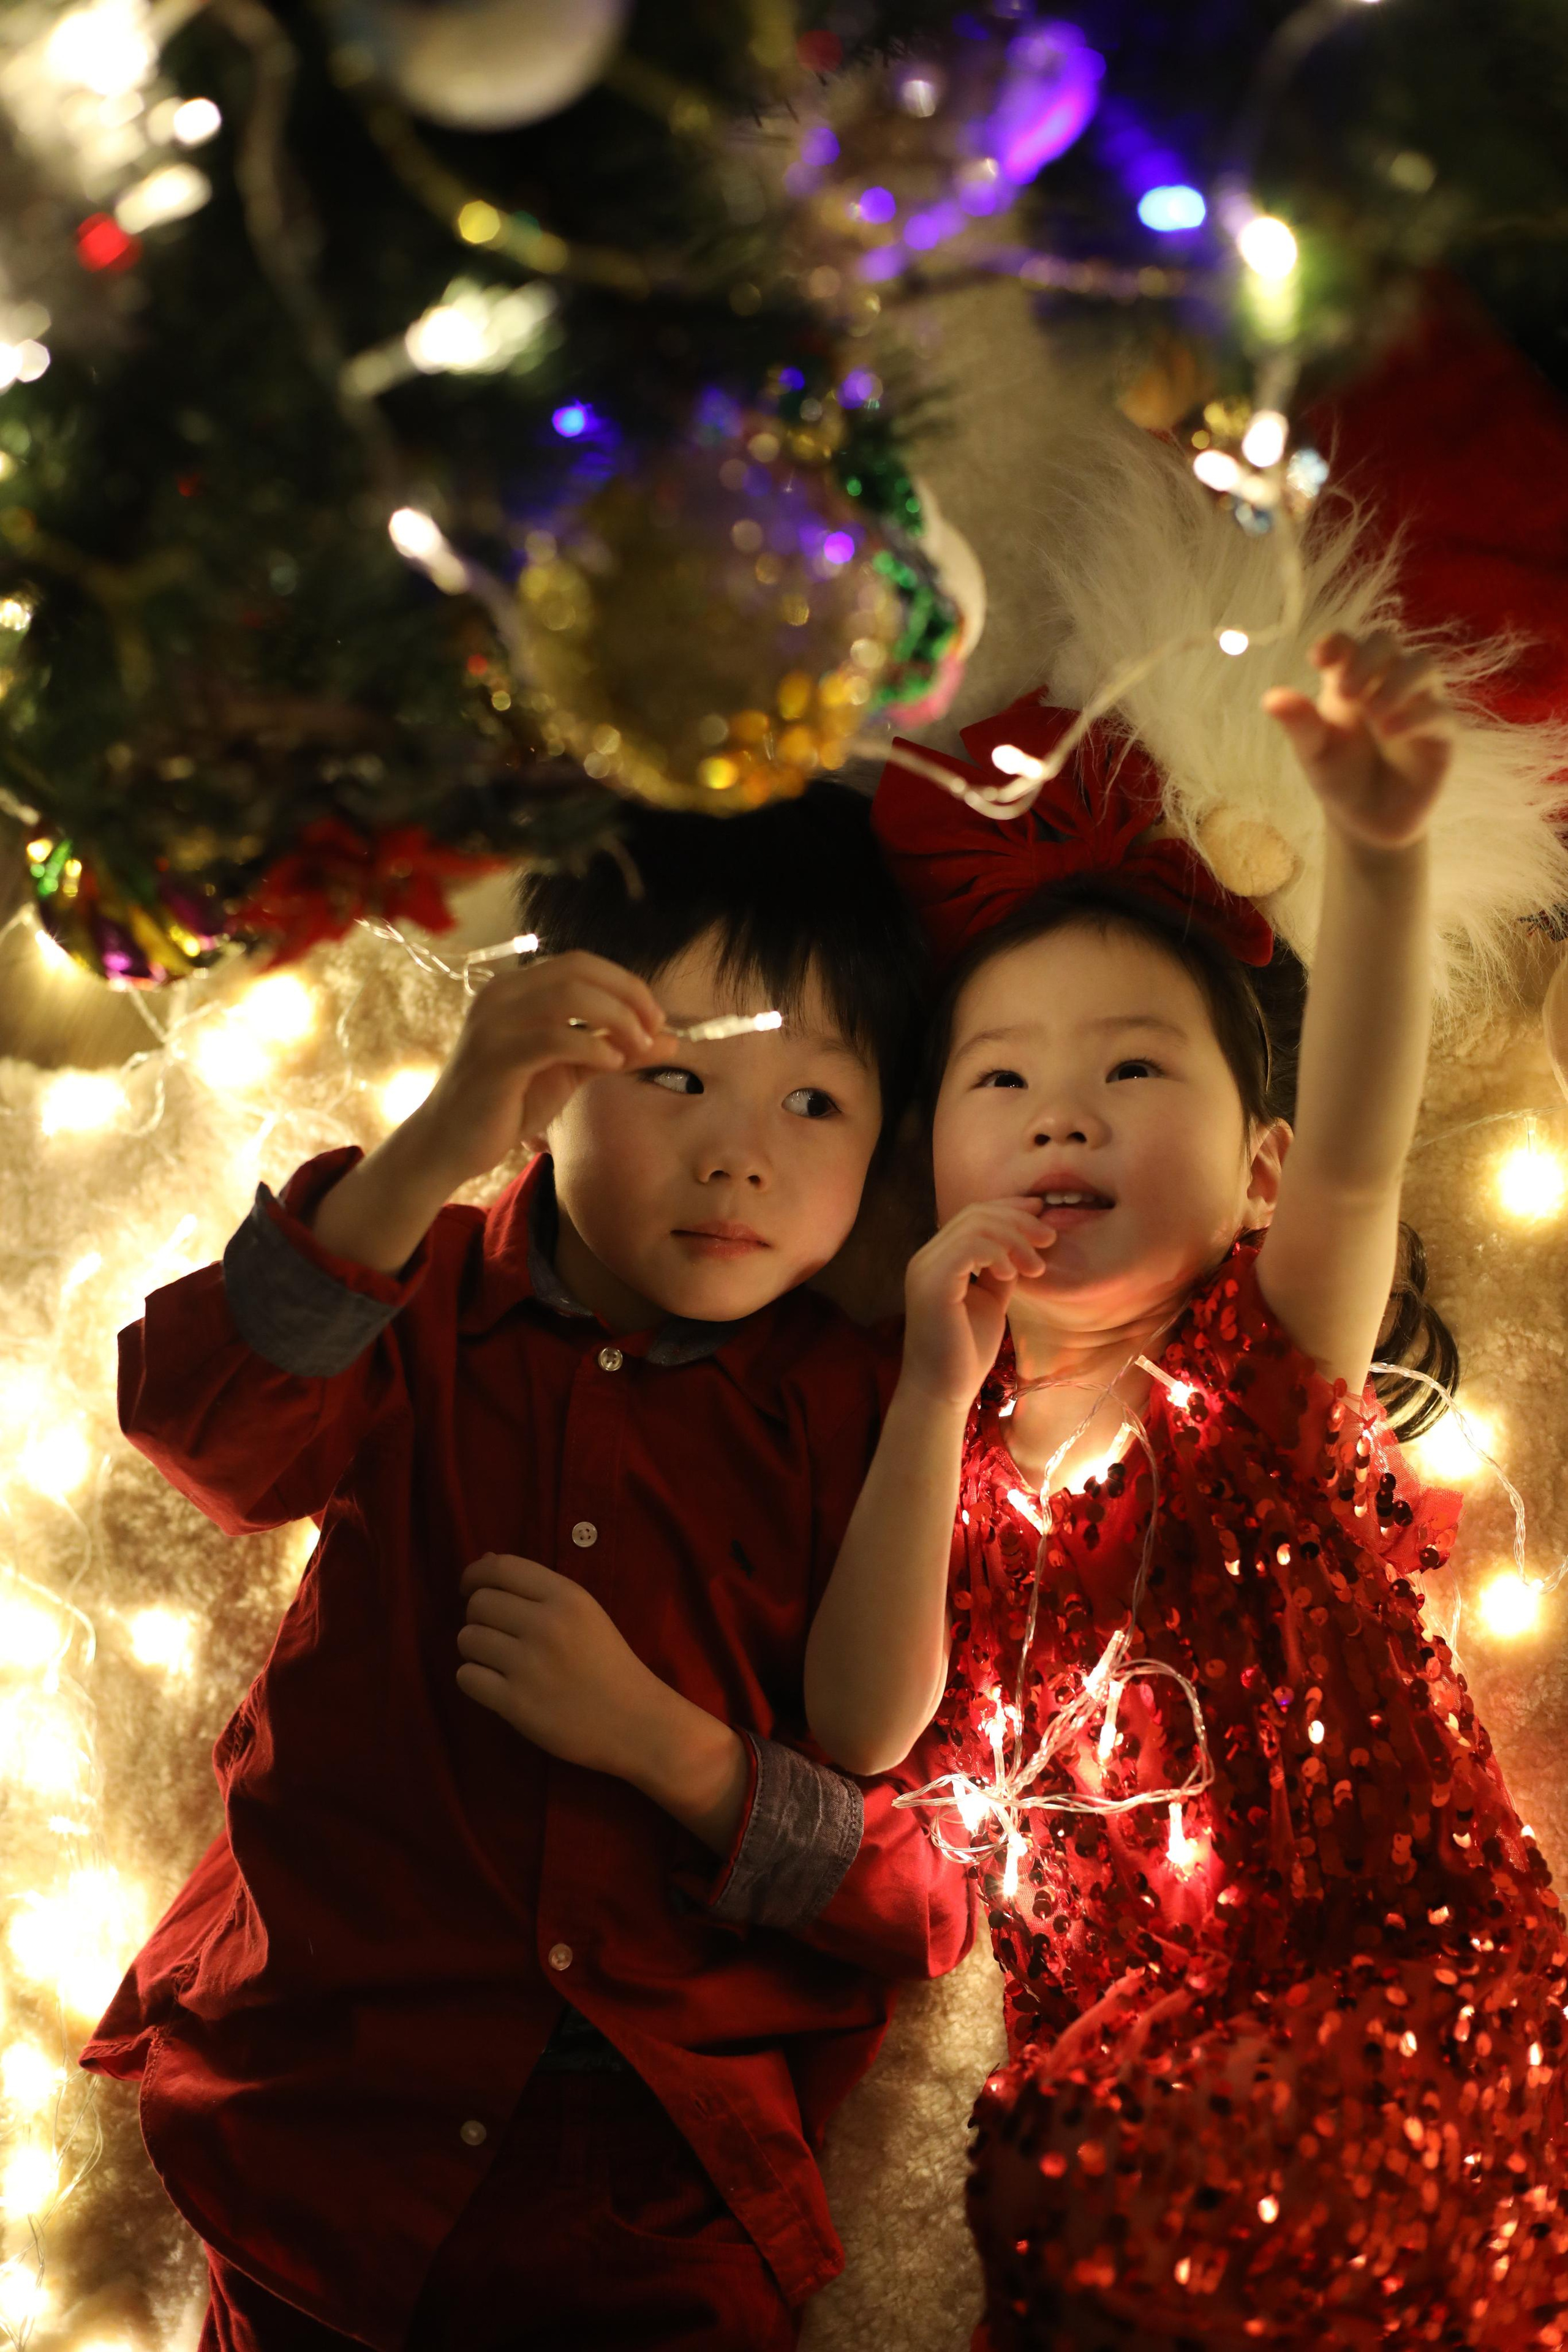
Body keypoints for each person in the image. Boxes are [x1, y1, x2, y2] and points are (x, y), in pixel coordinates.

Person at [81, 782, 976, 2352]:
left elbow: (917, 1892)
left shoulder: (859, 1405)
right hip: (329, 2116)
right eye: (678, 1078)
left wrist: (669, 1751)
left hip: (651, 2171)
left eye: (813, 1105)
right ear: (551, 1085)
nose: (740, 1157)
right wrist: (439, 1133)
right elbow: (201, 1429)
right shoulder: (415, 1299)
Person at [804, 639, 1568, 2347]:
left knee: (1133, 2179)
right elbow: (861, 1729)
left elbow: (1368, 1137)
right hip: (1131, 2083)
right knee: (1068, 2185)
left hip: (1410, 2001)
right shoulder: (941, 1449)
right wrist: (933, 1385)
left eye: (1132, 1071)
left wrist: (1377, 865)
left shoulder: (1264, 1371)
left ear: (1258, 1177)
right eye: (1000, 1080)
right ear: (934, 1159)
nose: (1059, 1106)